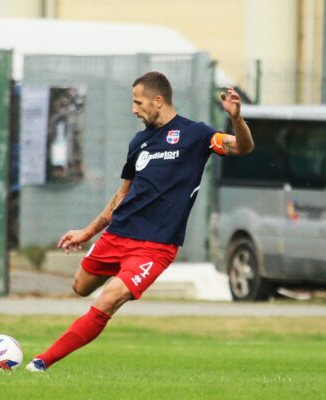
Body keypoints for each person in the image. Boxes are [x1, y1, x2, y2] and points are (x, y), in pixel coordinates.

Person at [25, 71, 253, 372]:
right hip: (118, 234)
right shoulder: (139, 142)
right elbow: (122, 194)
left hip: (155, 246)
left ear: (158, 101)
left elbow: (242, 147)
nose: (134, 109)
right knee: (80, 287)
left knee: (108, 298)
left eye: (138, 102)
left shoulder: (196, 134)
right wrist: (88, 232)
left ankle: (41, 362)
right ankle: (121, 284)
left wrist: (237, 119)